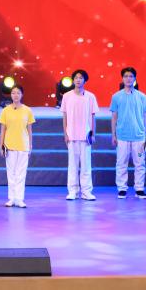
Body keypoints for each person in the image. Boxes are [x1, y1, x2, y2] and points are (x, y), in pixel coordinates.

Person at [110, 67, 146, 199]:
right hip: (122, 136)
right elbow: (114, 117)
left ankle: (139, 189)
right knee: (121, 163)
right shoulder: (116, 96)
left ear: (135, 78)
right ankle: (122, 189)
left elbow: (145, 117)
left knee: (140, 164)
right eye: (126, 76)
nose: (128, 79)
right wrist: (113, 135)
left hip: (139, 136)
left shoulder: (142, 96)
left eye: (131, 76)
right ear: (122, 78)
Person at [61, 69, 99, 201]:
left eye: (81, 78)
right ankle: (73, 191)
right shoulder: (67, 96)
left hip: (85, 136)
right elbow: (64, 116)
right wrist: (65, 133)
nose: (78, 80)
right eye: (76, 78)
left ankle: (86, 192)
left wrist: (93, 134)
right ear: (73, 80)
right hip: (72, 135)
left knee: (86, 165)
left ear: (85, 80)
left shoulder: (90, 96)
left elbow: (93, 116)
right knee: (73, 165)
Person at [0, 84, 34, 208]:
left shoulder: (27, 110)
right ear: (10, 95)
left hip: (23, 146)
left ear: (22, 95)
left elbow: (29, 130)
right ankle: (11, 198)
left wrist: (30, 146)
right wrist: (1, 145)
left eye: (18, 93)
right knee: (11, 173)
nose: (16, 95)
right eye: (13, 93)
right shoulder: (5, 111)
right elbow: (3, 129)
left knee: (21, 174)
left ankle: (19, 199)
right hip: (9, 146)